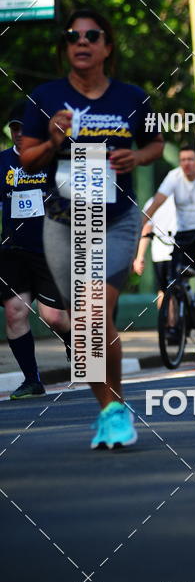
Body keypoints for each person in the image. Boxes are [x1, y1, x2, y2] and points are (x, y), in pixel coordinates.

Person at [20, 8, 164, 448]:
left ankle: (116, 412)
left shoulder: (132, 97)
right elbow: (27, 157)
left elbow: (156, 144)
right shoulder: (45, 97)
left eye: (92, 35)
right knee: (83, 326)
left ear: (107, 46)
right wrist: (53, 143)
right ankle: (109, 408)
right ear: (66, 47)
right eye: (73, 37)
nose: (81, 42)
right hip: (64, 225)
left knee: (94, 314)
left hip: (117, 221)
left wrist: (135, 158)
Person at [0, 108, 71, 398]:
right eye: (14, 128)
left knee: (53, 317)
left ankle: (74, 340)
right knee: (15, 312)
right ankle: (32, 380)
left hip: (48, 248)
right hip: (12, 250)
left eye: (24, 127)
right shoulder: (2, 162)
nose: (19, 132)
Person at [136, 144, 195, 308]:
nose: (187, 163)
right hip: (184, 231)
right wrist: (141, 223)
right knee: (175, 273)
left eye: (190, 159)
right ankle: (178, 318)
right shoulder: (174, 176)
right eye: (183, 160)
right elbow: (157, 201)